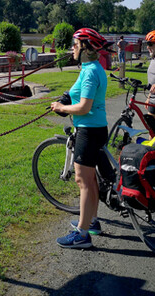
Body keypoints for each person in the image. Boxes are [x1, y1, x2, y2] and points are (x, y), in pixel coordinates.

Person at [50, 28, 115, 249]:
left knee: (83, 182)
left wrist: (62, 107)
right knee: (91, 180)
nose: (72, 48)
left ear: (86, 48)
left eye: (76, 45)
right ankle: (92, 222)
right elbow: (76, 92)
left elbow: (84, 107)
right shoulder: (91, 67)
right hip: (95, 128)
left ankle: (82, 233)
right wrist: (65, 99)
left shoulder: (90, 72)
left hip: (89, 130)